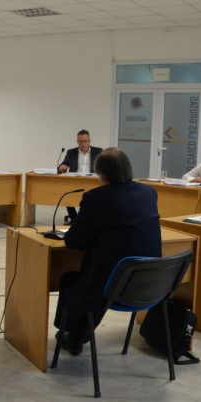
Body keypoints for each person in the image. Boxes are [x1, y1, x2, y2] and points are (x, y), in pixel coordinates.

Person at [54, 147, 161, 355]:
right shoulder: (149, 193)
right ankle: (77, 335)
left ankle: (74, 336)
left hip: (114, 287)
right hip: (151, 285)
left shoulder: (96, 198)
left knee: (73, 280)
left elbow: (74, 242)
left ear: (101, 174)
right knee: (104, 274)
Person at [58, 129, 103, 222]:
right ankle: (74, 219)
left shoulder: (98, 151)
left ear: (89, 141)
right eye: (80, 141)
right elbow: (62, 166)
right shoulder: (71, 152)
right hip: (75, 181)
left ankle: (88, 218)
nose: (83, 144)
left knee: (93, 199)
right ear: (77, 141)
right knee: (67, 195)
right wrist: (62, 167)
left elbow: (104, 165)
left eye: (85, 141)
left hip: (91, 181)